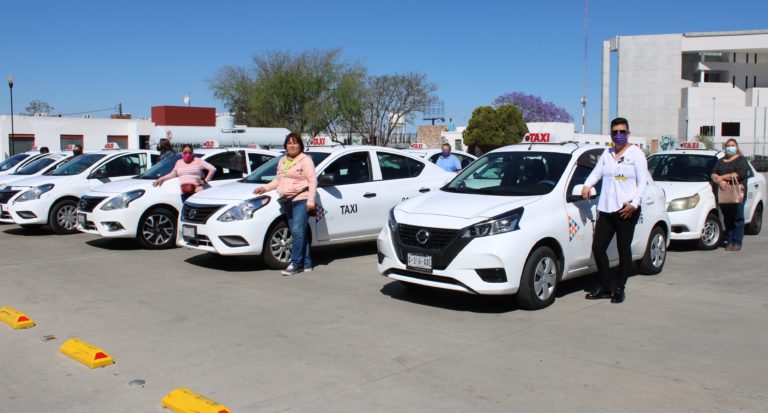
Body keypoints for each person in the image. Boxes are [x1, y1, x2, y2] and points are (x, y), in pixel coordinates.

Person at [581, 117, 649, 304]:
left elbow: (643, 182)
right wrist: (587, 185)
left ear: (628, 133)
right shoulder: (607, 154)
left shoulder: (636, 154)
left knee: (623, 249)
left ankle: (620, 288)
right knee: (598, 248)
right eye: (615, 132)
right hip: (607, 208)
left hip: (626, 209)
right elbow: (596, 172)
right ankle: (604, 286)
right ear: (610, 134)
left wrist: (634, 203)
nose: (618, 135)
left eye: (622, 132)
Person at [254, 133, 317, 276]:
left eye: (295, 143)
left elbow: (313, 181)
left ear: (300, 145)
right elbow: (278, 180)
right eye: (289, 143)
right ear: (285, 146)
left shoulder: (305, 160)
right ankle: (307, 263)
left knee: (297, 233)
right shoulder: (282, 160)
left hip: (301, 199)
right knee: (300, 233)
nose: (292, 145)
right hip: (287, 201)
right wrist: (265, 188)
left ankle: (295, 263)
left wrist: (310, 201)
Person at [711, 138, 751, 251]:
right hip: (724, 194)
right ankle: (729, 240)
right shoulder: (720, 161)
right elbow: (713, 174)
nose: (730, 147)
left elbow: (739, 174)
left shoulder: (741, 160)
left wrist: (722, 177)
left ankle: (737, 242)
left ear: (737, 147)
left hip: (737, 193)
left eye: (732, 145)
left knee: (737, 218)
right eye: (728, 145)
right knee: (727, 218)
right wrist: (719, 181)